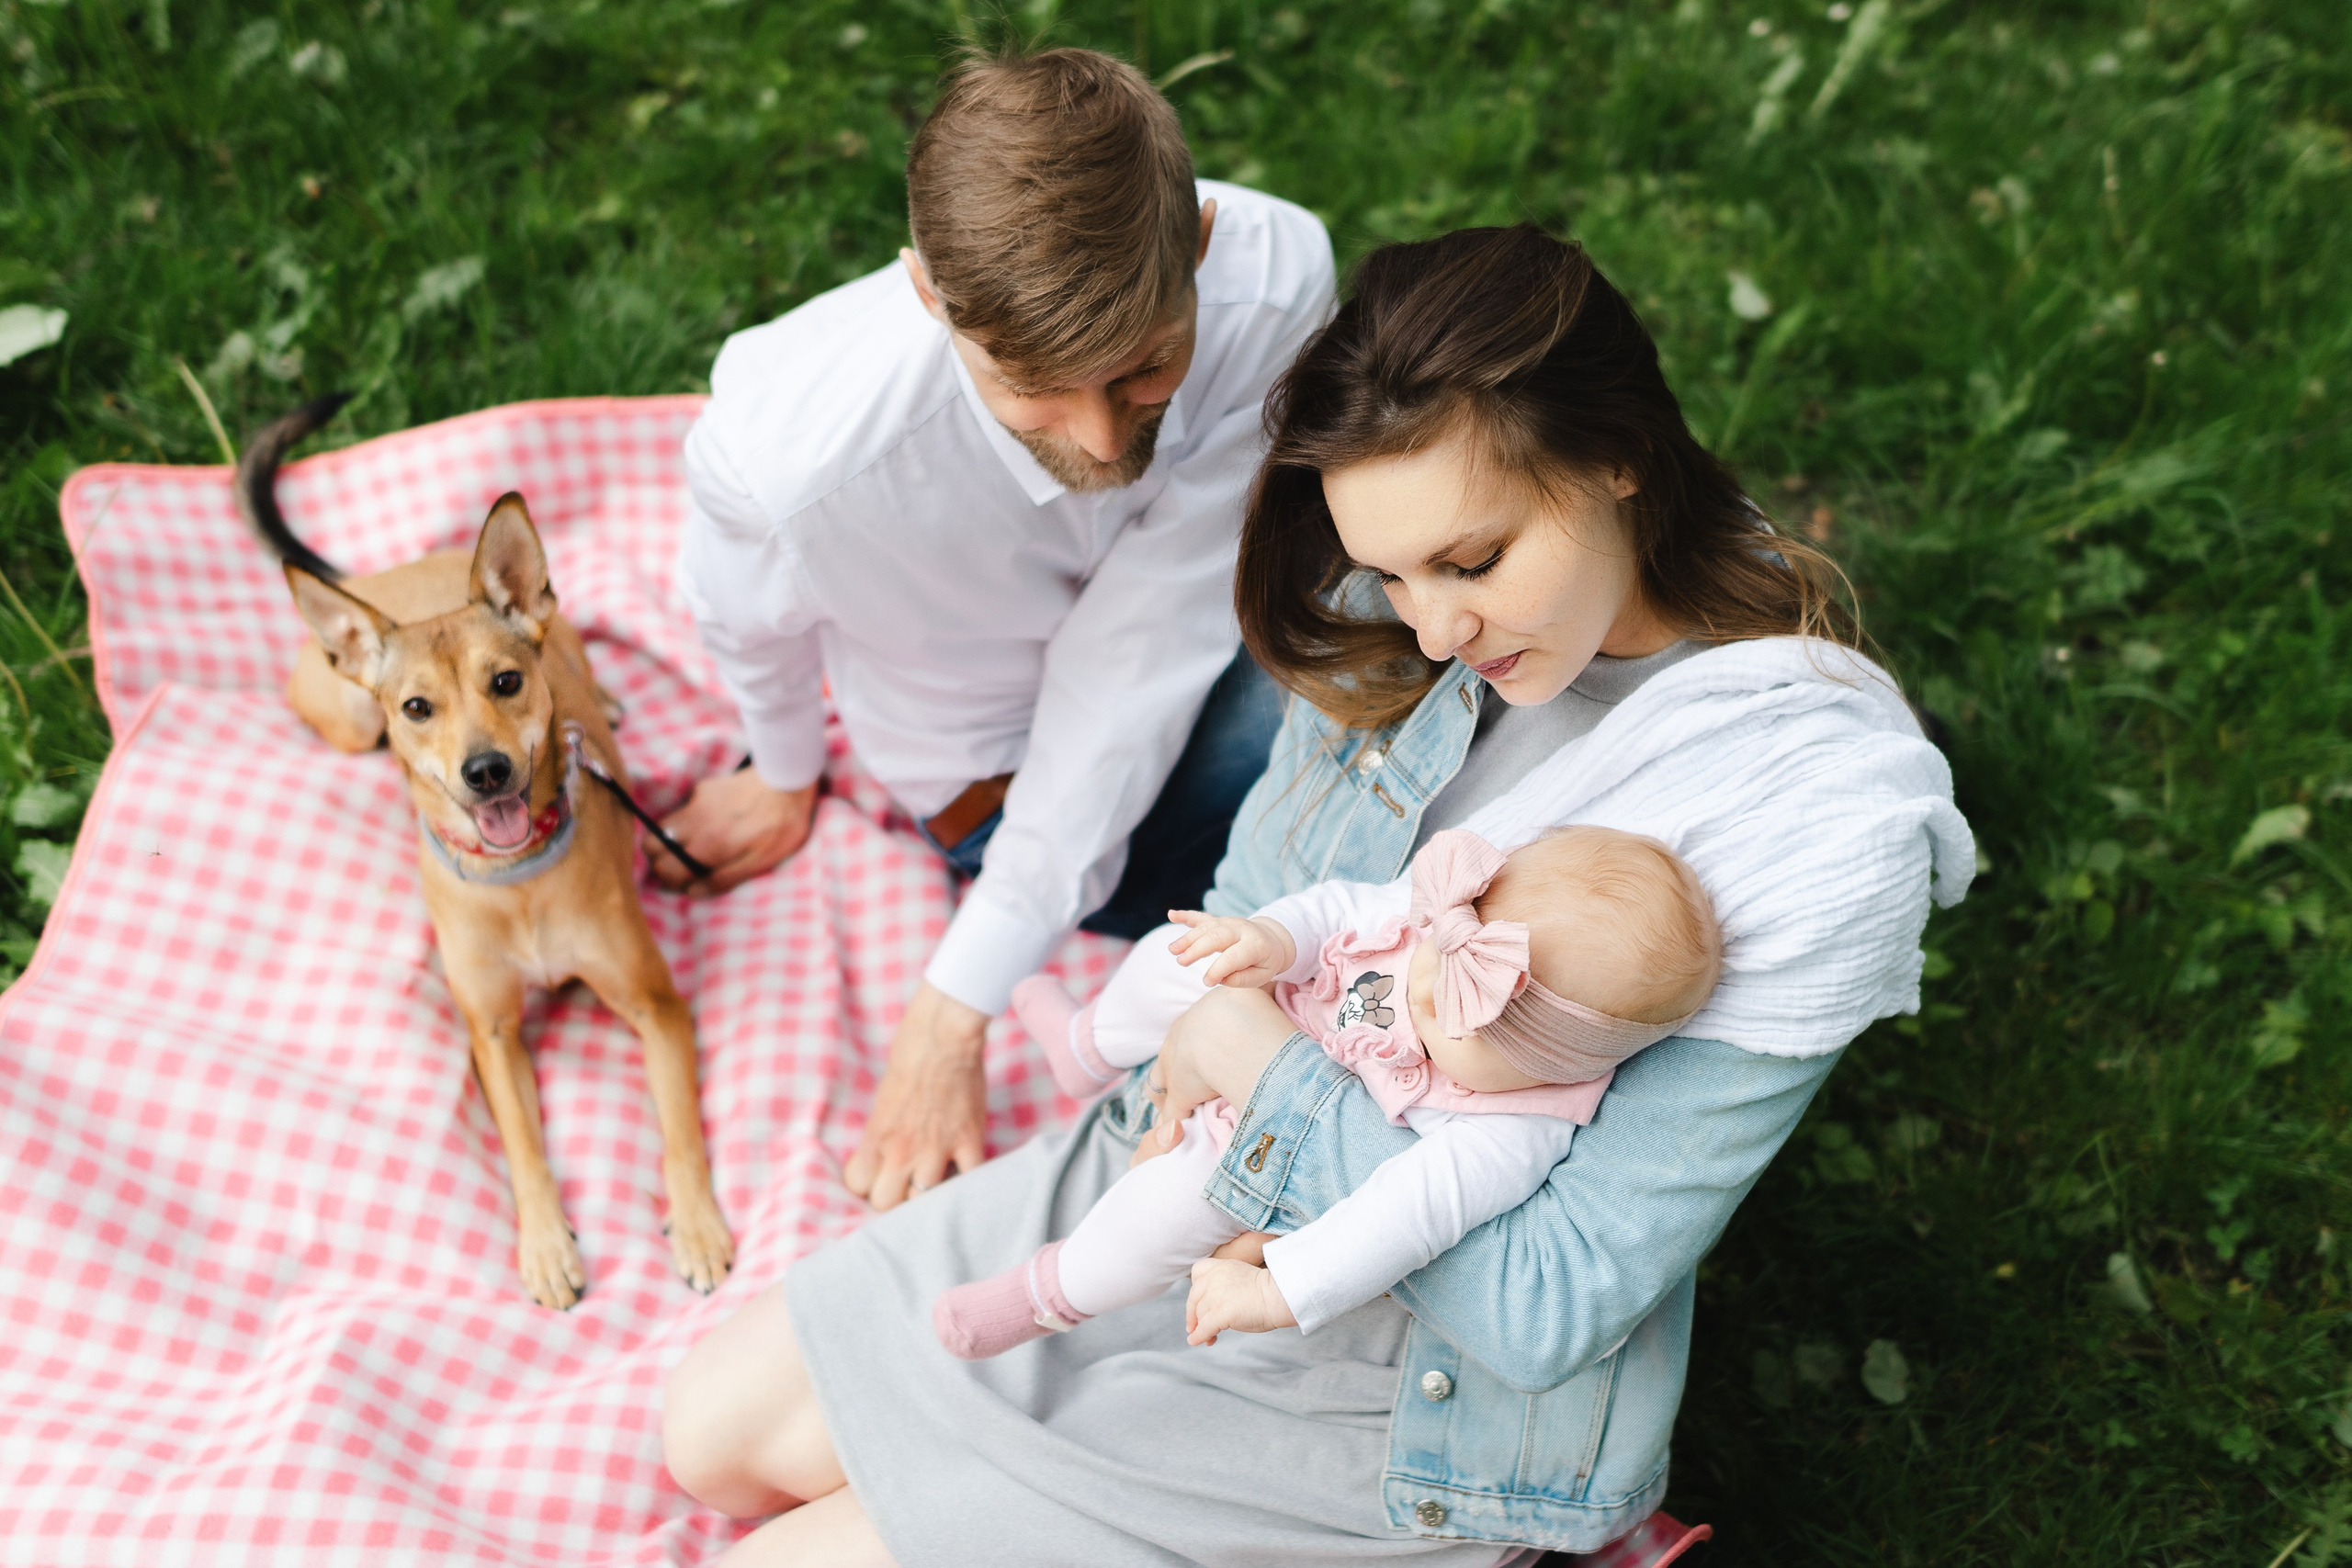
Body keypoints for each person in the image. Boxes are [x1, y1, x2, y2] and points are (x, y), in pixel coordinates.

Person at [662, 225, 1973, 1565]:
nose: (1433, 629)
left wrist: (1261, 1057)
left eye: (1473, 561)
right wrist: (1216, 1072)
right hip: (1195, 1165)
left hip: (1409, 1363)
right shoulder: (1395, 598)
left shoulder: (1813, 818)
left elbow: (1546, 1298)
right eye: (1396, 571)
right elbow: (1248, 911)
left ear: (1620, 454)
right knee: (706, 1431)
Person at [657, 47, 1335, 1210]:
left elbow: (1147, 640)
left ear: (1203, 240)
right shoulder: (785, 468)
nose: (1105, 441)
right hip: (1007, 790)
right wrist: (783, 770)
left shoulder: (1275, 278)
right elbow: (740, 617)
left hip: (1193, 657)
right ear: (929, 295)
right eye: (1036, 386)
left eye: (1142, 373)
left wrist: (950, 1007)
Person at [931, 825, 1720, 1360]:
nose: (1417, 989)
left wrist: (1283, 1289)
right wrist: (1273, 940)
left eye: (1453, 1014)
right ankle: (1090, 1044)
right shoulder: (1440, 933)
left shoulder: (1514, 1128)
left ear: (1551, 1064)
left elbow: (1405, 1217)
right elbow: (1340, 905)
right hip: (1275, 1003)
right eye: (1433, 971)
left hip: (1258, 1151)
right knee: (1182, 953)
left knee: (1157, 1217)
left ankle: (1046, 1292)